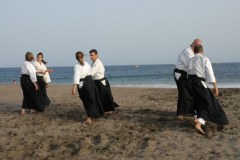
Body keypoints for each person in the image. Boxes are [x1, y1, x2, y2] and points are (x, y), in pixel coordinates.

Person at [188, 44, 229, 135]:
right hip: (199, 84)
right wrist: (215, 87)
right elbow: (210, 73)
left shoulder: (190, 60)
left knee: (198, 102)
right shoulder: (204, 59)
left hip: (190, 84)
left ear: (194, 51)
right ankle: (199, 124)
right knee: (208, 103)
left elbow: (188, 72)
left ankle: (197, 120)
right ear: (202, 51)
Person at [72, 51, 104, 124]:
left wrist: (73, 87)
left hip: (83, 84)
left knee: (86, 101)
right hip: (90, 82)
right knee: (92, 99)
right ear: (83, 57)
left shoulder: (77, 66)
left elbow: (76, 76)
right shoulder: (87, 64)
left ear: (76, 58)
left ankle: (89, 117)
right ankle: (93, 114)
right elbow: (90, 73)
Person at [174, 39, 202, 119]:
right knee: (183, 93)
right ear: (194, 44)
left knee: (189, 93)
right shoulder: (188, 52)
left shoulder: (193, 52)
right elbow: (191, 65)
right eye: (198, 46)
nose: (199, 47)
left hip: (185, 74)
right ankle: (180, 114)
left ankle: (188, 111)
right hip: (179, 74)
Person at [89, 49, 119, 114]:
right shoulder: (94, 62)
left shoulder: (97, 63)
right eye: (90, 55)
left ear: (96, 55)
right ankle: (102, 110)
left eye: (92, 55)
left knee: (105, 97)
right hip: (96, 82)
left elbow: (91, 73)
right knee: (100, 97)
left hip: (101, 82)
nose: (91, 57)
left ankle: (108, 110)